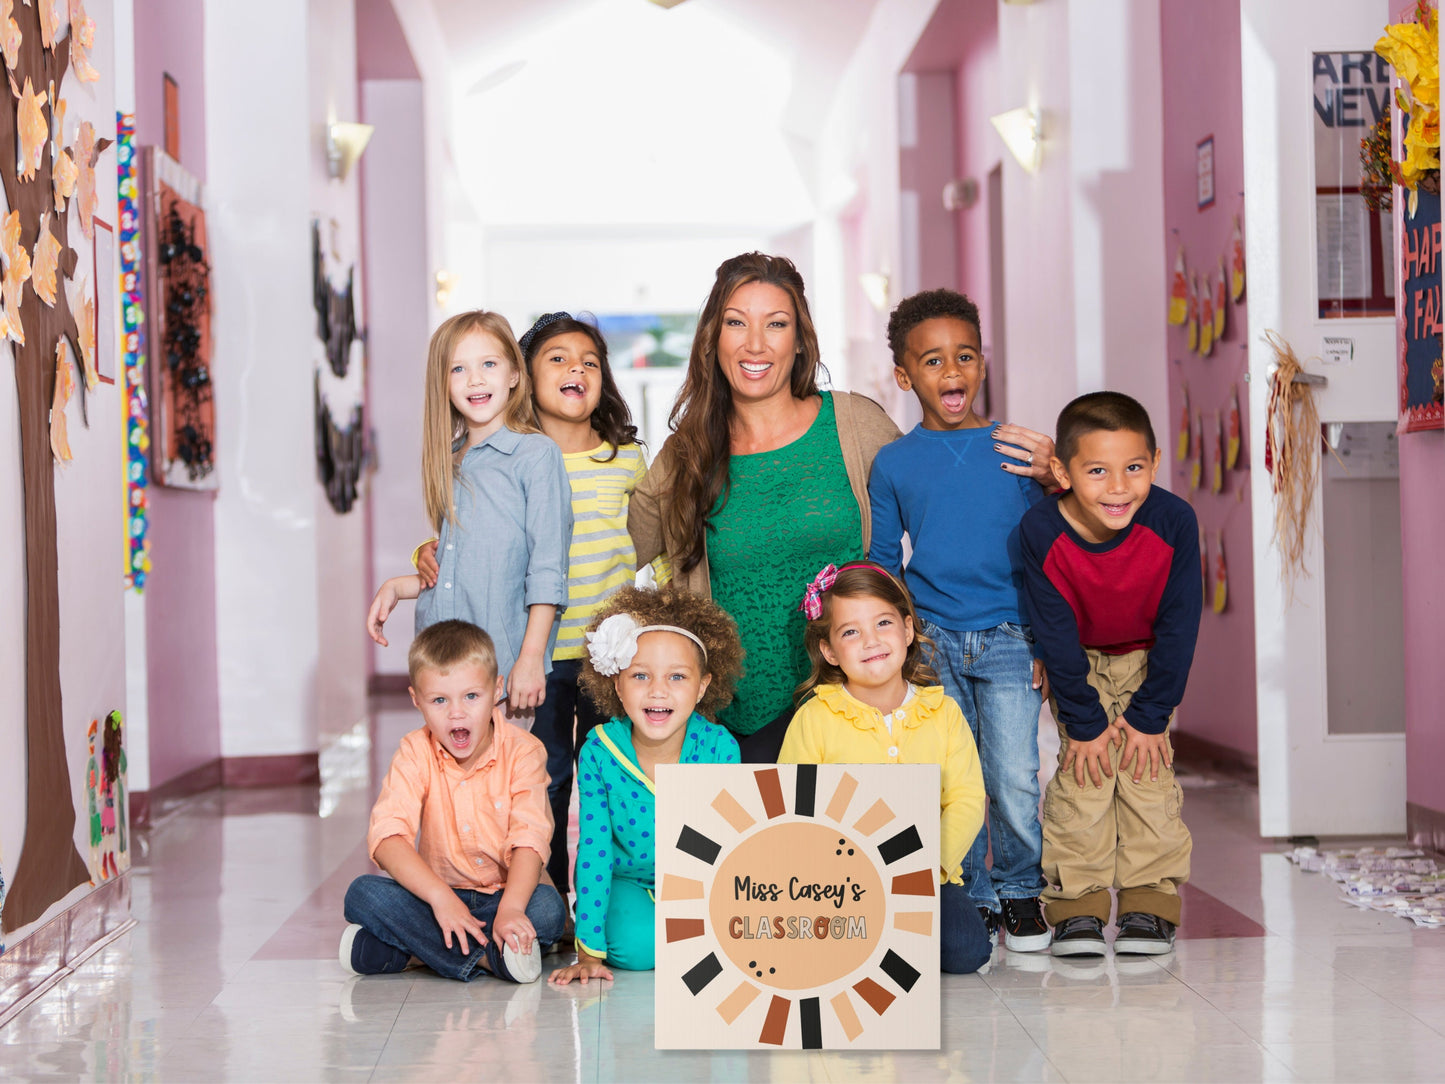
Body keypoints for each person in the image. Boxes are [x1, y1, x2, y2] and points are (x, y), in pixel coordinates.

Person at [417, 311, 654, 910]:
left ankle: (606, 903)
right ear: (530, 374)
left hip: (607, 655)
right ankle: (544, 901)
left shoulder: (623, 459)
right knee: (543, 783)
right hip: (538, 653)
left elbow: (659, 542)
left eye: (590, 362)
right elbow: (470, 543)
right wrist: (415, 564)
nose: (576, 368)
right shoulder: (491, 456)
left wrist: (662, 620)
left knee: (608, 781)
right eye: (558, 358)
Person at [628, 252, 901, 761]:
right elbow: (614, 544)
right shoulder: (689, 453)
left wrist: (1042, 474)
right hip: (734, 727)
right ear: (714, 337)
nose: (756, 344)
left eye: (776, 324)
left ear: (799, 341)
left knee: (845, 844)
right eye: (737, 323)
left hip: (852, 711)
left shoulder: (854, 425)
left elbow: (938, 499)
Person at [867, 288, 1051, 953]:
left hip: (1009, 636)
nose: (951, 373)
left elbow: (1045, 553)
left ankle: (1021, 890)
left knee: (1011, 773)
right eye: (933, 360)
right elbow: (883, 561)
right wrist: (887, 644)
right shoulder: (892, 463)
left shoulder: (1016, 451)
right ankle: (969, 893)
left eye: (964, 357)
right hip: (933, 638)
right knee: (953, 774)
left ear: (981, 364)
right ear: (904, 374)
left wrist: (1045, 640)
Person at [1019, 391, 1200, 957]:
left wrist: (1149, 717)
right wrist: (1085, 720)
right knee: (1084, 777)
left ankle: (1150, 904)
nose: (1118, 487)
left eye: (1134, 468)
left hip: (1150, 662)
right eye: (1097, 471)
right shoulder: (1040, 530)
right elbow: (1053, 630)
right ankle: (1079, 906)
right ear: (1062, 471)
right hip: (1079, 663)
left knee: (1148, 778)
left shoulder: (1173, 521)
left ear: (1155, 460)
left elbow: (1181, 624)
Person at [778, 561, 993, 975]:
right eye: (851, 632)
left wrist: (930, 866)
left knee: (968, 950)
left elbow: (966, 798)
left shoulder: (943, 712)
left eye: (883, 623)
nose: (870, 641)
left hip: (923, 873)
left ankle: (890, 937)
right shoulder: (816, 716)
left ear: (908, 631)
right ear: (830, 651)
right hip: (839, 880)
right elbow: (793, 801)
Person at [365, 311, 572, 714]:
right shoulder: (452, 461)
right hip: (440, 668)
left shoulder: (536, 455)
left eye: (488, 364)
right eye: (458, 368)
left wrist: (530, 659)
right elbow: (458, 572)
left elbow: (548, 568)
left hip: (501, 674)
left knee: (500, 777)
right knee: (446, 779)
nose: (475, 379)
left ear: (514, 374)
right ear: (442, 383)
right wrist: (397, 586)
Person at [340, 620, 566, 982]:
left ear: (496, 690)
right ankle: (491, 959)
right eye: (439, 700)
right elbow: (387, 838)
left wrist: (510, 909)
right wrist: (442, 900)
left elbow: (530, 838)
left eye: (471, 696)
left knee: (548, 910)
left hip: (504, 896)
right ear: (417, 701)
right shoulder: (415, 751)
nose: (456, 713)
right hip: (435, 899)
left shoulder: (523, 752)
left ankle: (413, 952)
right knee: (362, 895)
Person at [548, 584, 744, 984]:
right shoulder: (599, 752)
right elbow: (594, 849)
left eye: (677, 676)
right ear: (617, 685)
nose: (658, 690)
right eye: (640, 676)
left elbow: (733, 845)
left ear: (702, 686)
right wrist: (588, 950)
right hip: (629, 880)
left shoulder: (720, 748)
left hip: (701, 882)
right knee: (637, 951)